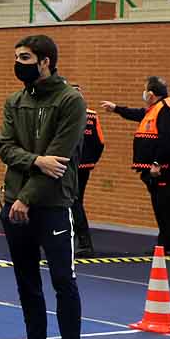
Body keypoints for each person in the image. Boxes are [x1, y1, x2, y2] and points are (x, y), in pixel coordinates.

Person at [0, 34, 88, 339]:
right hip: (14, 203)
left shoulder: (71, 100)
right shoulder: (14, 101)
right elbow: (6, 147)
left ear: (46, 61)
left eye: (25, 57)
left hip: (51, 205)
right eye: (17, 57)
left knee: (63, 282)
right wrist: (34, 162)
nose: (19, 63)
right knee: (26, 282)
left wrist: (27, 198)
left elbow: (60, 157)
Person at [101, 77, 170, 257]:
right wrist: (116, 109)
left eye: (145, 90)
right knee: (161, 208)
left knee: (168, 207)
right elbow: (140, 114)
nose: (143, 94)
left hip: (164, 169)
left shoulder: (165, 110)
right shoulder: (157, 108)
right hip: (158, 168)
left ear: (151, 94)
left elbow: (168, 140)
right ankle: (166, 243)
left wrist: (157, 163)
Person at [73, 103, 105, 257]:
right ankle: (79, 240)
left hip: (69, 165)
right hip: (85, 166)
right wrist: (92, 161)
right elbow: (100, 142)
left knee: (73, 202)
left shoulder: (65, 111)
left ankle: (84, 242)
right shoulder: (92, 115)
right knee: (77, 201)